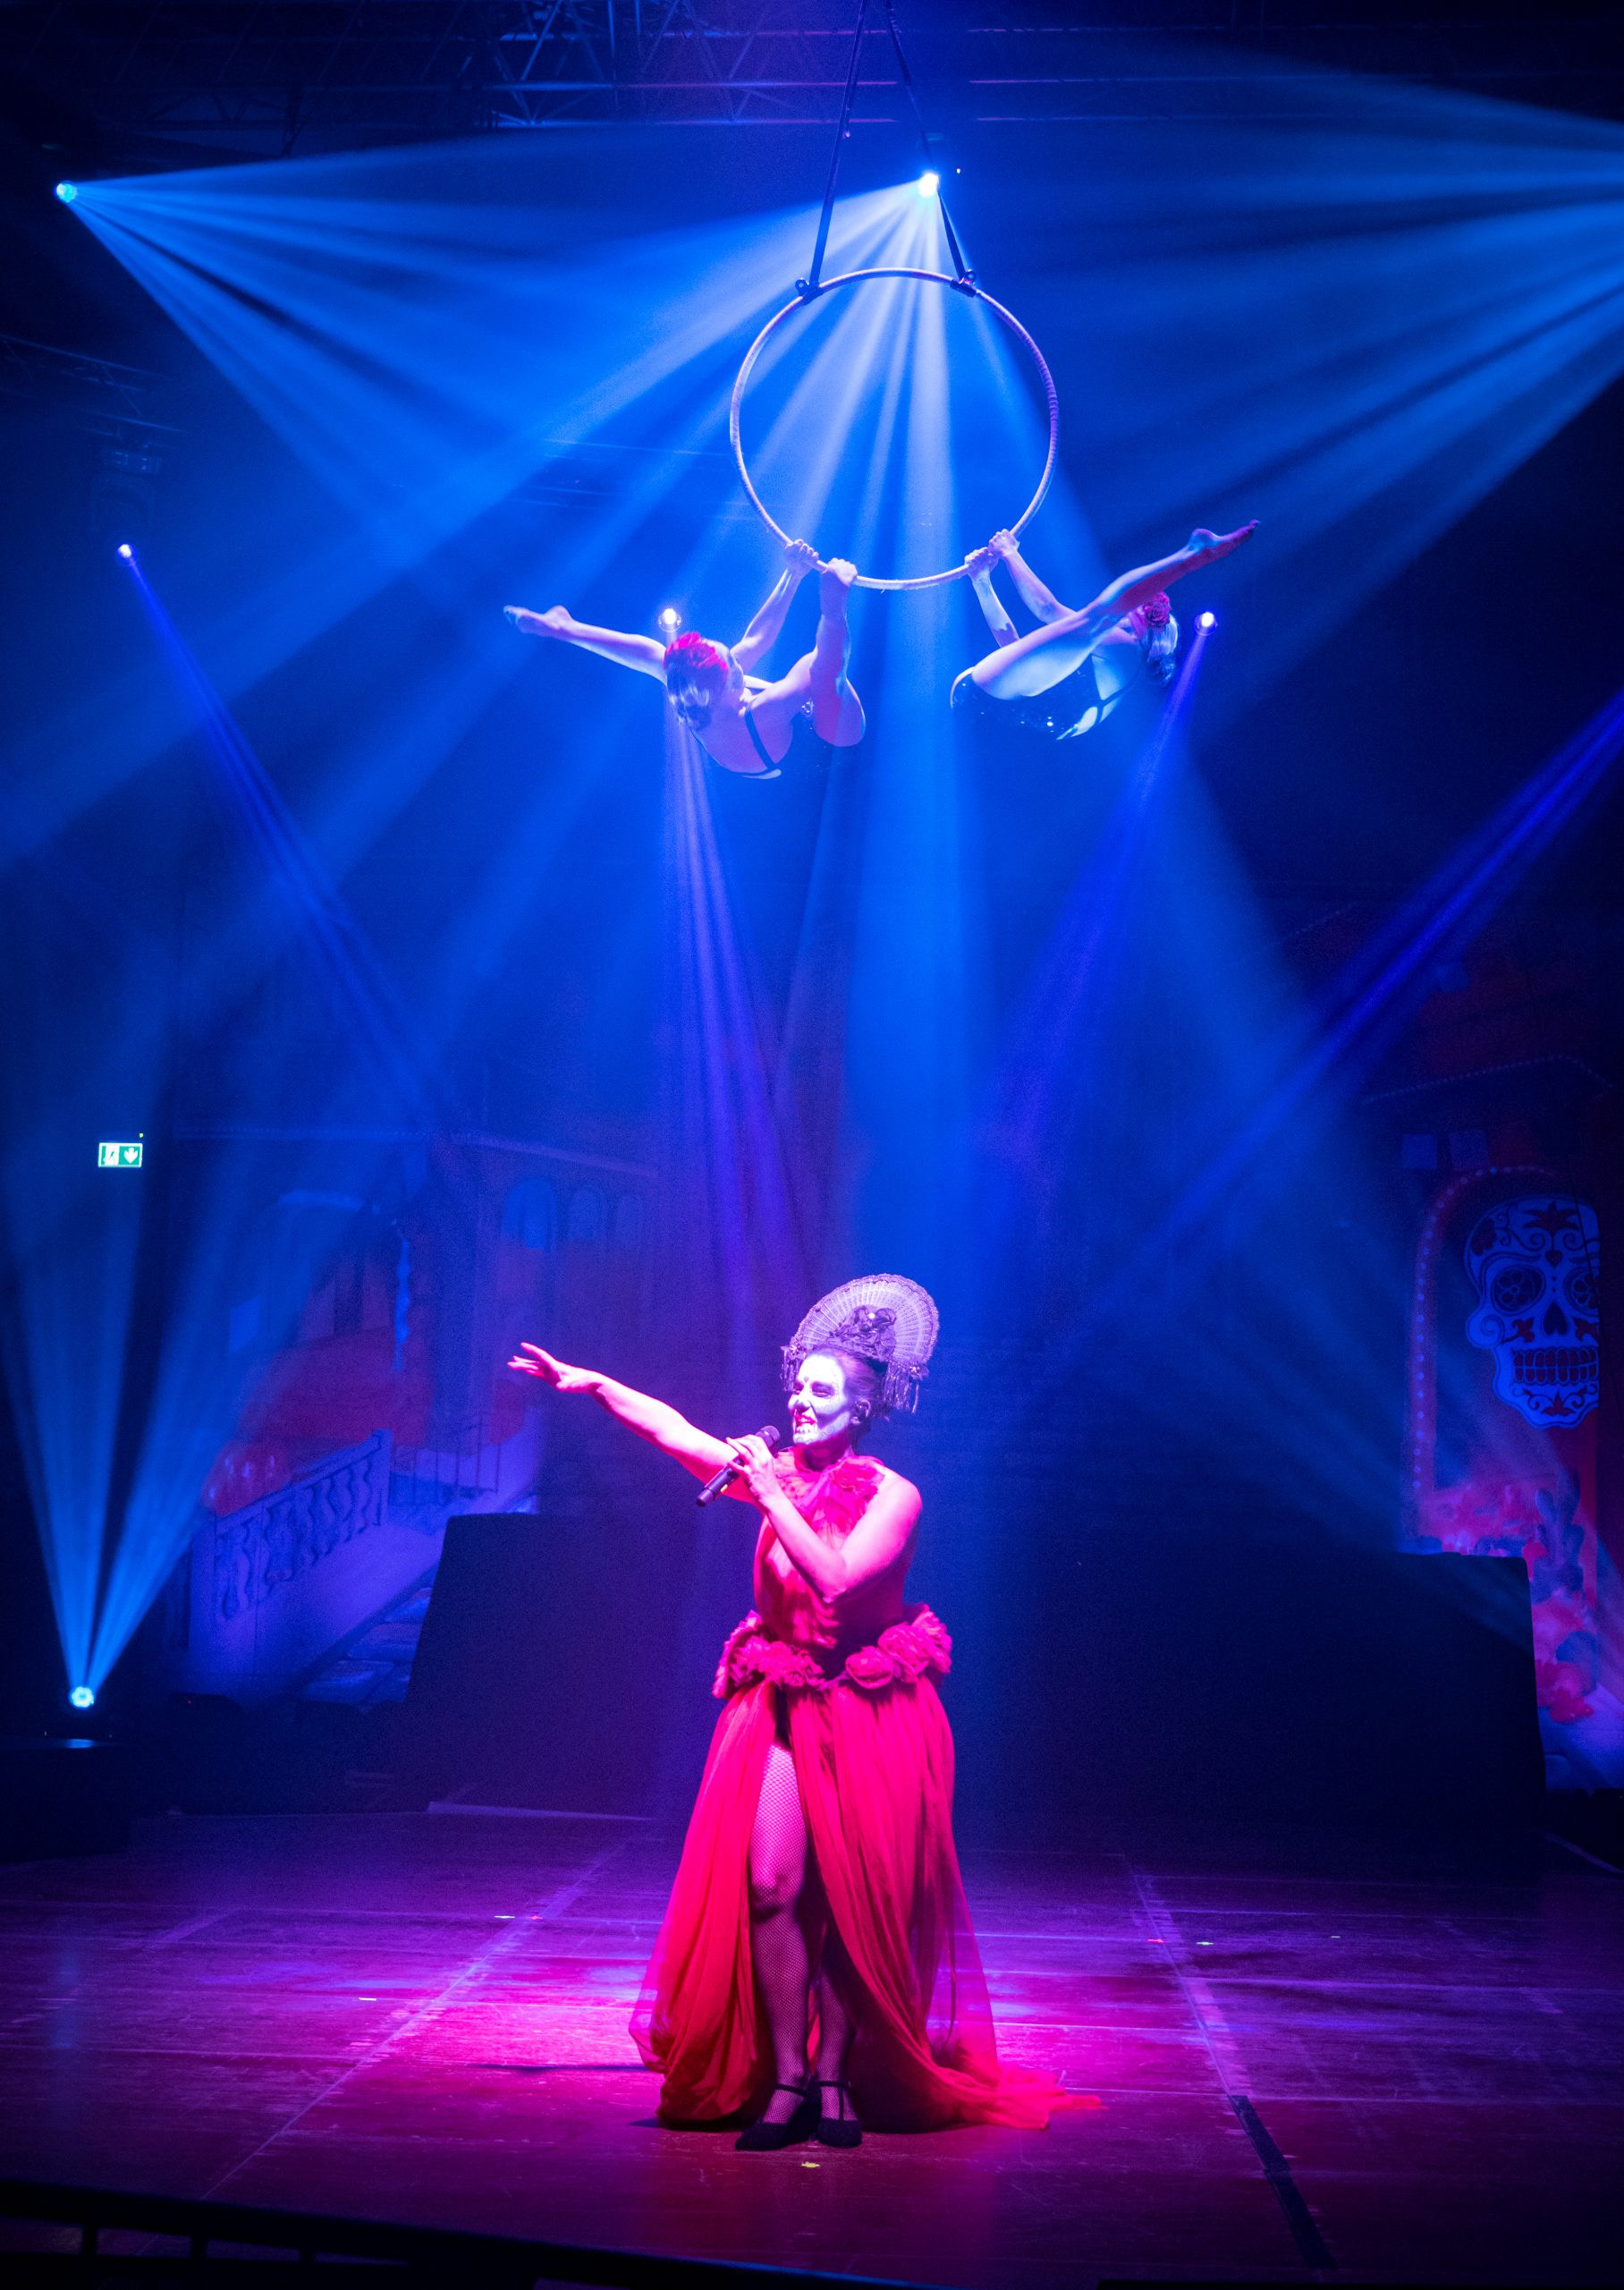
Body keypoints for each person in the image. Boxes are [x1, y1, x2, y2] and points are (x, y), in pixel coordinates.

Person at [508, 1275, 1066, 2149]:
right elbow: (675, 1432)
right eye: (798, 1388)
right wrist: (594, 1385)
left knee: (850, 1898)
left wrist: (770, 1493)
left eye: (822, 1391)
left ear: (862, 1407)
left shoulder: (892, 1494)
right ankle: (787, 2075)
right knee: (772, 1885)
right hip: (780, 1702)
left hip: (867, 1710)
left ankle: (835, 2076)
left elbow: (836, 1583)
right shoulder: (771, 1475)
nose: (801, 1403)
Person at [505, 539, 865, 779]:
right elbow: (829, 670)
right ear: (727, 684)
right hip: (832, 752)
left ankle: (562, 628)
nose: (739, 660)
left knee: (664, 659)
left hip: (772, 754)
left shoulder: (695, 694)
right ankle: (834, 608)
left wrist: (793, 574)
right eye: (734, 665)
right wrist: (833, 603)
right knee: (815, 668)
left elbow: (752, 640)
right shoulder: (764, 711)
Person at [952, 522, 1258, 740]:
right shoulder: (1112, 663)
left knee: (1099, 616)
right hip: (993, 709)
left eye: (1134, 611)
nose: (1128, 613)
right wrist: (982, 582)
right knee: (1097, 619)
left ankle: (1190, 556)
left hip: (987, 703)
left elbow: (1046, 609)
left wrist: (1010, 552)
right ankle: (1190, 556)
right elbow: (1016, 654)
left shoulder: (1124, 649)